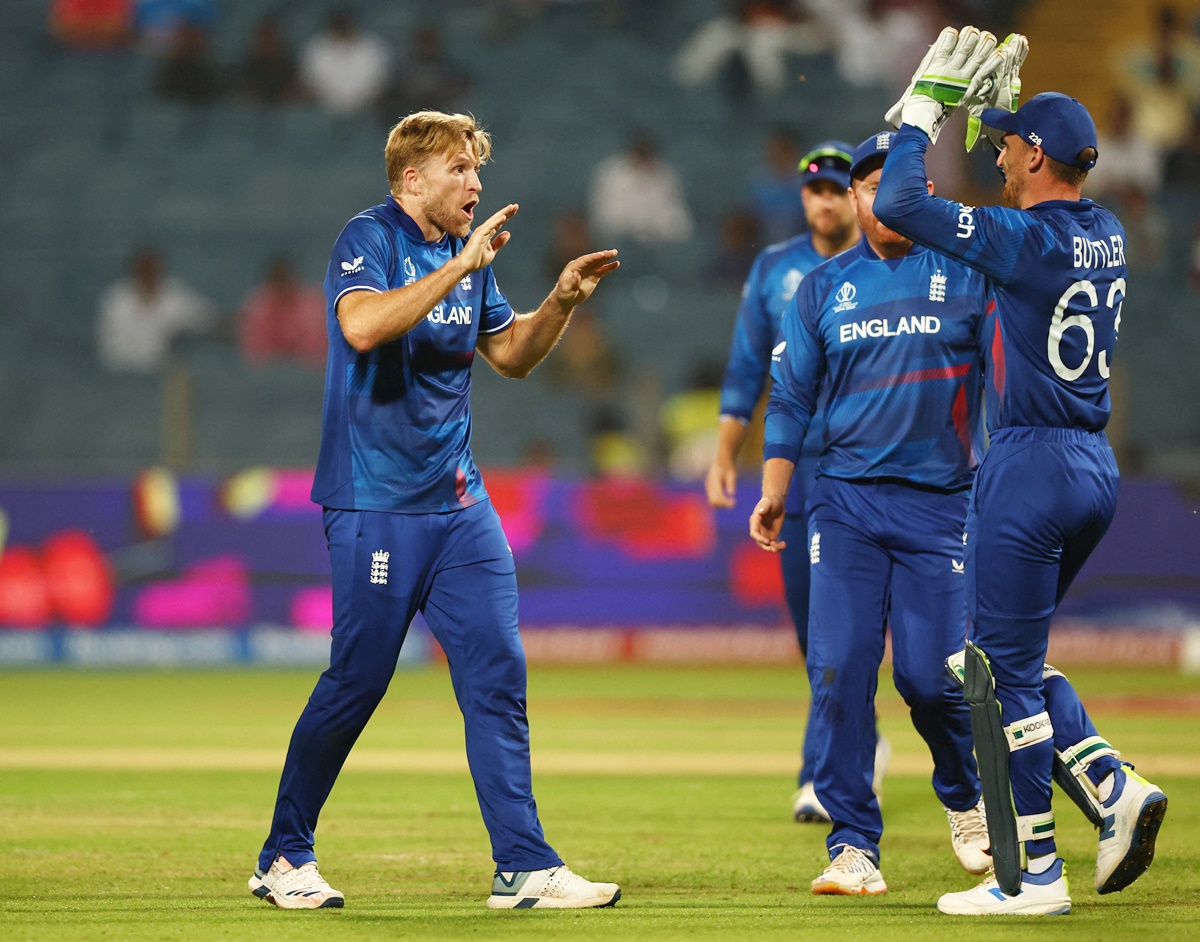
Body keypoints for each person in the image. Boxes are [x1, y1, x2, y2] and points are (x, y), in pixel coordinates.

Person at [248, 110, 621, 911]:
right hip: (374, 504)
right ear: (413, 178)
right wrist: (460, 269)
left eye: (477, 171)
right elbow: (360, 326)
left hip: (458, 503)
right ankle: (283, 856)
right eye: (460, 170)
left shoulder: (467, 255)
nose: (476, 185)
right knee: (360, 678)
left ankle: (523, 864)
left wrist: (558, 302)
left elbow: (511, 356)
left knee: (498, 670)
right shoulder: (369, 237)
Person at [875, 27, 1169, 916]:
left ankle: (1033, 874)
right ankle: (1112, 788)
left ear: (1037, 155)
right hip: (1093, 466)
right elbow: (1035, 202)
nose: (997, 154)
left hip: (1031, 462)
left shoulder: (1024, 242)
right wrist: (1005, 119)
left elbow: (899, 203)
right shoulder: (1104, 229)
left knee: (992, 675)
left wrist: (923, 112)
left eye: (1008, 144)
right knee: (1016, 660)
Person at [749, 131, 990, 896]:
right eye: (868, 185)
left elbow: (1011, 376)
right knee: (840, 670)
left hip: (939, 505)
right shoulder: (820, 288)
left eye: (897, 185)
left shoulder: (966, 274)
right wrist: (775, 485)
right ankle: (853, 846)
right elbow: (790, 397)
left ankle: (964, 796)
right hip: (844, 505)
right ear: (854, 199)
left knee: (928, 678)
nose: (881, 198)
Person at [705, 140, 868, 825]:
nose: (825, 200)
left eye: (836, 188)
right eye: (815, 191)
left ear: (857, 194)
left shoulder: (889, 261)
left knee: (843, 636)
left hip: (873, 463)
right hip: (802, 470)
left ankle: (823, 775)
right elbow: (748, 366)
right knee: (814, 637)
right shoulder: (775, 270)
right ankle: (858, 743)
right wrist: (724, 453)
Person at [96, 248, 217, 373]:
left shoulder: (175, 297)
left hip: (161, 373)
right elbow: (108, 346)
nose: (148, 276)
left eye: (152, 271)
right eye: (144, 271)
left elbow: (209, 320)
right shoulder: (117, 302)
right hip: (121, 373)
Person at [587, 132, 695, 245]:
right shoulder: (612, 174)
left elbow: (679, 220)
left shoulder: (664, 175)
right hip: (620, 240)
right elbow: (607, 218)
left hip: (658, 242)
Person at [237, 256, 327, 369]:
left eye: (284, 280)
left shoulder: (311, 304)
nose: (282, 288)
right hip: (269, 370)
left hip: (306, 368)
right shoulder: (258, 306)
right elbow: (254, 351)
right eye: (277, 282)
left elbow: (317, 349)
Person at [299, 8, 390, 116]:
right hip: (324, 111)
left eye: (345, 24)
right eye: (339, 24)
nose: (342, 28)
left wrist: (361, 102)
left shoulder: (373, 47)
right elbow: (309, 83)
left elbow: (381, 83)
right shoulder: (315, 48)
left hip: (367, 110)